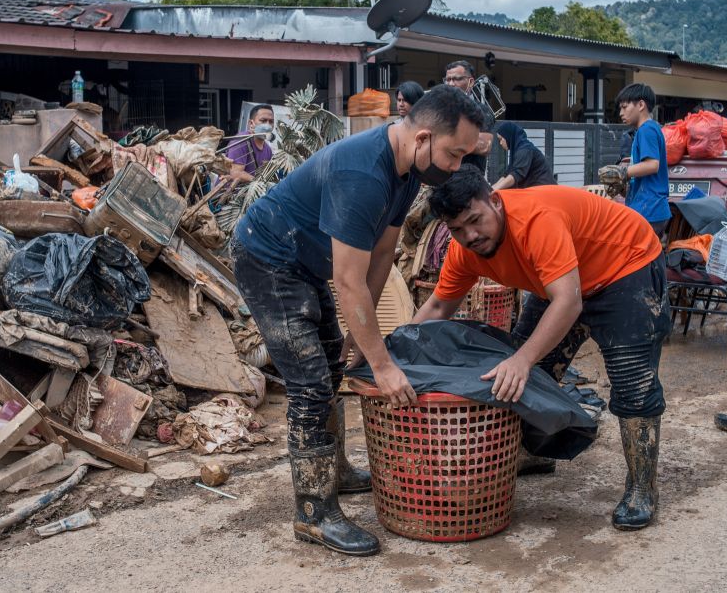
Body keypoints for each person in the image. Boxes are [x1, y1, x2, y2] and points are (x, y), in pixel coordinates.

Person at [231, 86, 484, 556]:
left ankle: (337, 471)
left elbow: (382, 254)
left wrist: (356, 333)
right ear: (424, 137)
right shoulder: (363, 173)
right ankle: (313, 514)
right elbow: (348, 282)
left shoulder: (407, 172)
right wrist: (383, 365)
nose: (457, 166)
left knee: (330, 367)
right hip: (266, 257)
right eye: (454, 154)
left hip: (305, 262)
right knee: (309, 383)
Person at [413, 165, 669, 531]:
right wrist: (392, 349)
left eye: (476, 220)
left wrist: (522, 358)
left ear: (496, 202)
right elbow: (438, 307)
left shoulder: (536, 220)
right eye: (457, 229)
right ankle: (534, 453)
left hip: (625, 264)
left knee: (632, 383)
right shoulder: (464, 250)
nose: (470, 235)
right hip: (563, 281)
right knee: (530, 376)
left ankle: (642, 488)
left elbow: (567, 302)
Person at [599, 84, 671, 236]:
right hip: (649, 209)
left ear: (641, 105)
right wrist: (625, 188)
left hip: (649, 210)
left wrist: (622, 172)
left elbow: (652, 165)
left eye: (624, 107)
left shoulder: (647, 130)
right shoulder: (647, 130)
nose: (621, 113)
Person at [443, 60, 495, 173]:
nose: (451, 84)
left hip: (468, 181)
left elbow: (484, 146)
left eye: (457, 79)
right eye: (448, 80)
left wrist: (444, 140)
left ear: (470, 82)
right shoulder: (441, 109)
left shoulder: (481, 110)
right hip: (442, 179)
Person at [490, 121, 557, 190]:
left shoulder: (525, 150)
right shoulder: (518, 150)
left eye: (501, 139)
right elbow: (507, 175)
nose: (500, 143)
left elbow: (516, 175)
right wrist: (491, 189)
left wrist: (495, 189)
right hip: (538, 191)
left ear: (508, 136)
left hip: (546, 192)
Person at [223, 104, 275, 185]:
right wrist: (260, 183)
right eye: (263, 120)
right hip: (231, 195)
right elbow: (236, 174)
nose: (268, 125)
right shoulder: (241, 141)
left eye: (271, 121)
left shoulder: (268, 149)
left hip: (252, 194)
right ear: (251, 123)